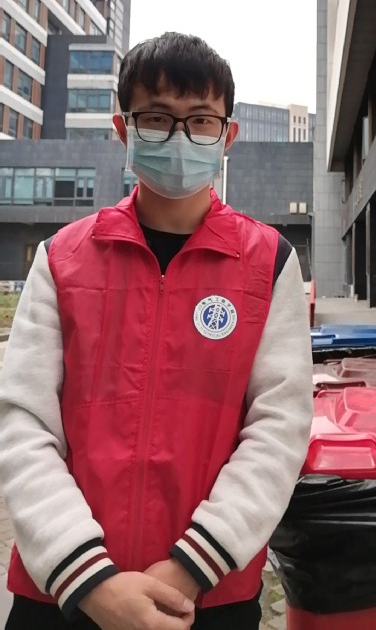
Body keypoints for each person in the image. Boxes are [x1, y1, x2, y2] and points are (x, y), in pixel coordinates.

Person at [0, 32, 313, 630]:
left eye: (200, 120)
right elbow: (24, 423)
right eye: (157, 118)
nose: (179, 137)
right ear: (124, 129)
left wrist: (191, 568)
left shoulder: (269, 262)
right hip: (63, 595)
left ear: (228, 135)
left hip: (206, 599)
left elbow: (280, 428)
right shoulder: (62, 258)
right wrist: (90, 579)